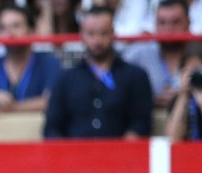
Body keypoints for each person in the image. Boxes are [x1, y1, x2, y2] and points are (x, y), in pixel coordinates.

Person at [44, 5, 154, 138]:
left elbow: (141, 125)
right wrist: (66, 156)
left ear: (113, 33)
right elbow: (52, 128)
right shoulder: (65, 79)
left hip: (121, 156)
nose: (97, 41)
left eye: (103, 33)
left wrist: (122, 153)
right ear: (81, 35)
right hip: (74, 156)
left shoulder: (136, 76)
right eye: (91, 33)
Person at [124, 0, 202, 109]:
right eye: (162, 22)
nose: (168, 29)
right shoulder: (137, 54)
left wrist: (189, 97)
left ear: (189, 22)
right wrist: (148, 100)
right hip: (149, 122)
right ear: (154, 24)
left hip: (199, 123)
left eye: (176, 22)